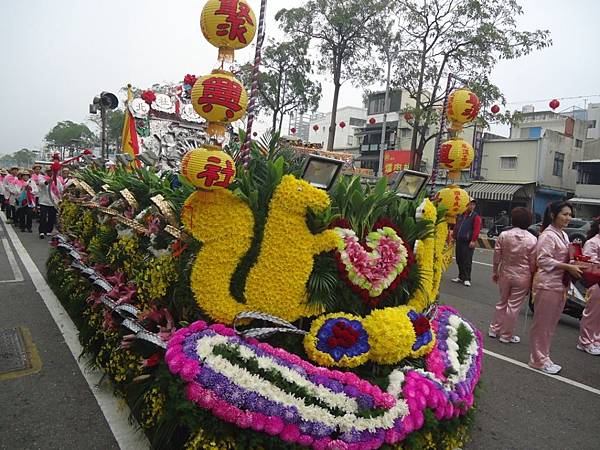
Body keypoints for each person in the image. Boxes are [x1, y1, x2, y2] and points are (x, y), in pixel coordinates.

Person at [529, 201, 583, 374]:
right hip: (547, 284)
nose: (569, 218)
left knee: (551, 324)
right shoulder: (548, 236)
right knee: (543, 324)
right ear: (553, 215)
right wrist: (567, 267)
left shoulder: (563, 235)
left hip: (560, 284)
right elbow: (543, 260)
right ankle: (537, 359)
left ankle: (544, 356)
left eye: (570, 214)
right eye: (565, 214)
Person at [489, 207, 537, 343]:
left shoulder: (504, 235)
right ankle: (506, 335)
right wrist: (533, 278)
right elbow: (533, 263)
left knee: (502, 301)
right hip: (523, 276)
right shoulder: (533, 239)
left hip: (505, 273)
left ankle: (494, 329)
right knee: (514, 306)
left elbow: (497, 256)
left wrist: (495, 271)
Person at [577, 217, 600, 356]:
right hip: (595, 282)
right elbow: (588, 264)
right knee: (592, 313)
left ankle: (595, 340)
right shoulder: (592, 242)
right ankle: (585, 341)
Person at [452, 198, 481, 287]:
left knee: (467, 260)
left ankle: (467, 278)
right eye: (470, 204)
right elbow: (456, 227)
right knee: (459, 259)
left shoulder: (476, 217)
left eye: (473, 205)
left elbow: (477, 230)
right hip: (459, 240)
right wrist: (453, 236)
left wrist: (473, 240)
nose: (472, 206)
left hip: (467, 242)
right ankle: (460, 276)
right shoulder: (461, 215)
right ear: (466, 205)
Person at [37, 167, 60, 238]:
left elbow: (60, 189)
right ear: (46, 172)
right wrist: (48, 181)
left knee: (52, 217)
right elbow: (42, 184)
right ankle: (41, 231)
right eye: (49, 171)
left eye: (52, 171)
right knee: (43, 217)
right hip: (44, 201)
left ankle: (48, 230)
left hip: (53, 202)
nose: (50, 172)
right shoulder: (42, 178)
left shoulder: (57, 179)